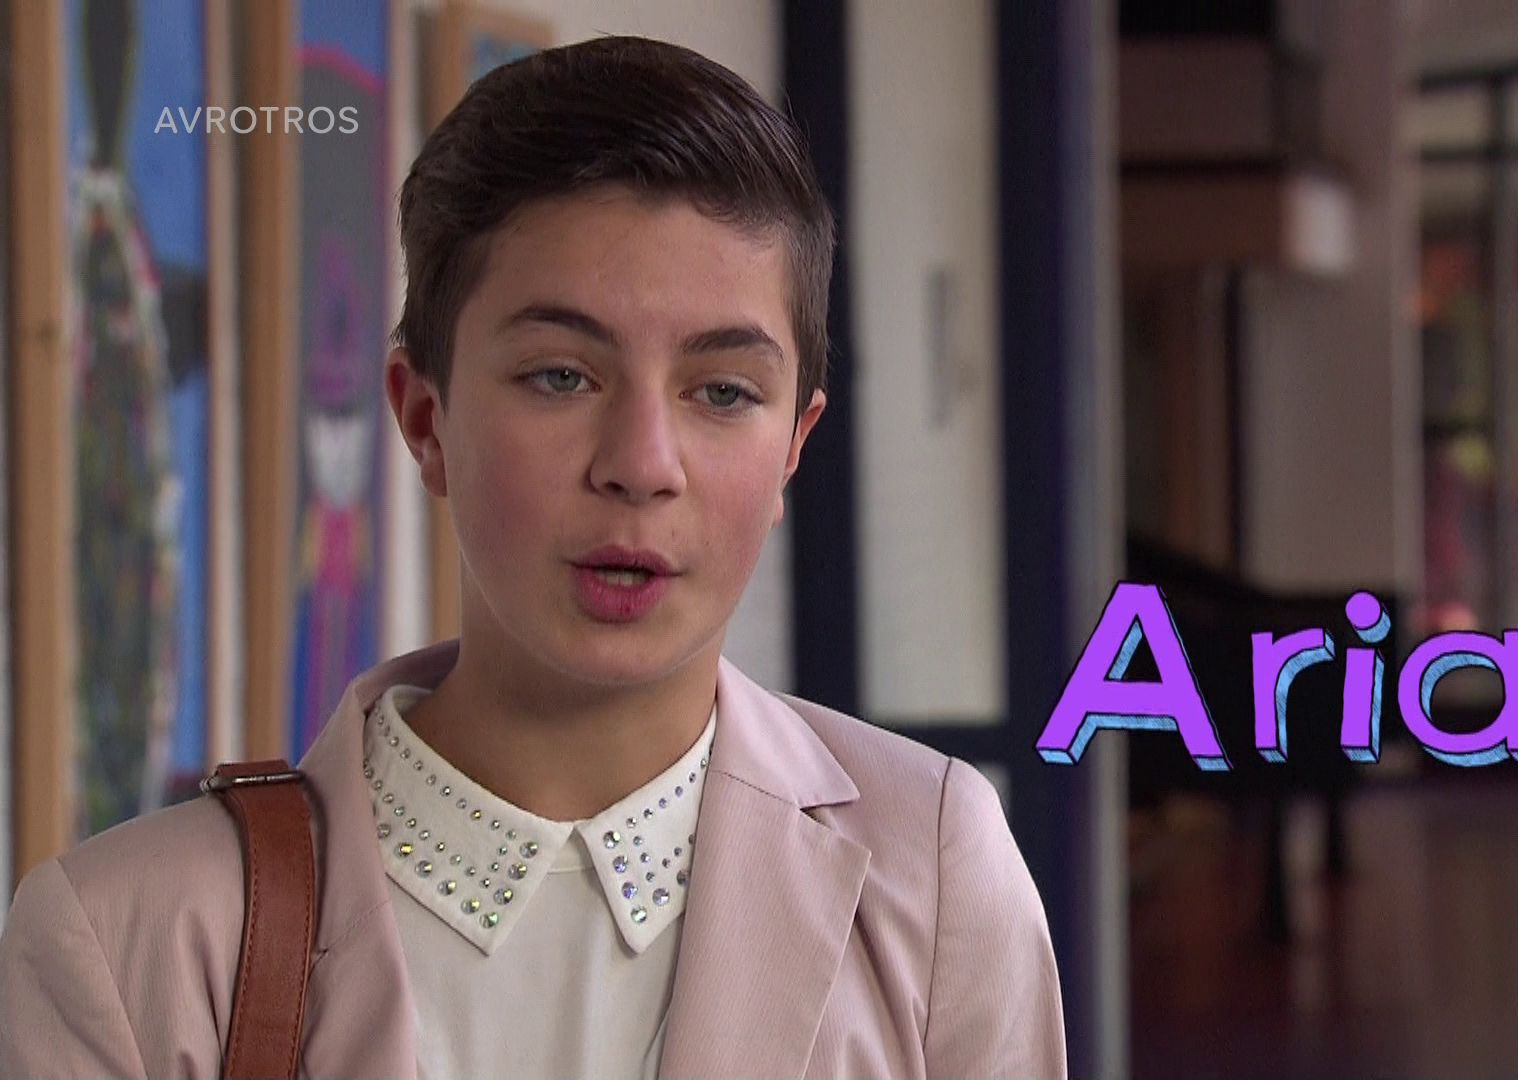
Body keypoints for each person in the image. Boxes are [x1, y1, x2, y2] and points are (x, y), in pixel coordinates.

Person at [0, 35, 1068, 1080]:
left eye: (722, 391)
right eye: (561, 376)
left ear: (794, 444)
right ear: (424, 419)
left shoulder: (932, 875)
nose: (641, 466)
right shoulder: (130, 940)